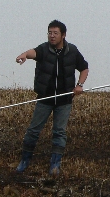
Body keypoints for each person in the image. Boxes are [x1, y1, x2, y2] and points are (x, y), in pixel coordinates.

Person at [14, 20, 89, 176]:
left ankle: (55, 164)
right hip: (45, 98)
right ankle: (25, 161)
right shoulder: (44, 49)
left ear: (63, 35)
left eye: (55, 33)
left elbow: (84, 68)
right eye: (50, 33)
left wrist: (79, 85)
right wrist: (25, 55)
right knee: (33, 131)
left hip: (64, 100)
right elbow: (33, 52)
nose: (52, 36)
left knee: (59, 132)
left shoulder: (72, 51)